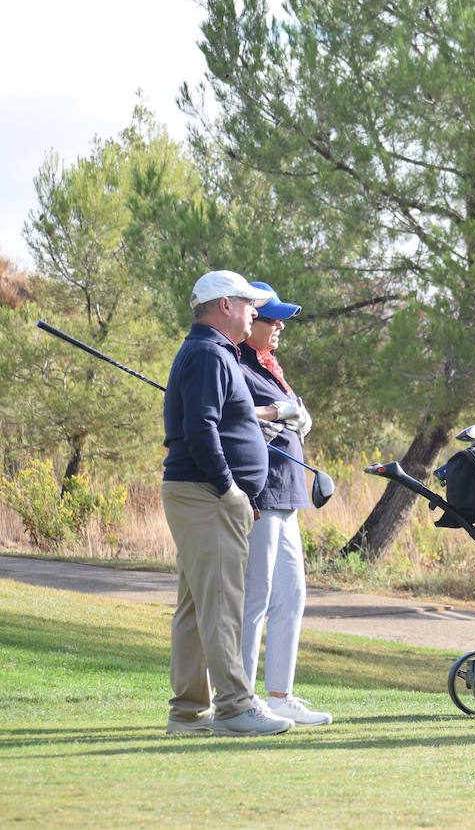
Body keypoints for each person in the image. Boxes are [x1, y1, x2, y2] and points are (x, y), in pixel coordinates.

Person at [161, 270, 294, 736]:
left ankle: (188, 713)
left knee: (197, 609)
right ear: (224, 306)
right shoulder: (210, 354)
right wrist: (230, 488)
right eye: (248, 303)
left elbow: (212, 425)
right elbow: (202, 428)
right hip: (207, 493)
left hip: (200, 492)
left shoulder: (211, 353)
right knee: (220, 605)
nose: (254, 312)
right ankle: (235, 706)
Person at [238, 284, 331, 727]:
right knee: (255, 597)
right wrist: (277, 412)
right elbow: (240, 417)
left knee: (291, 595)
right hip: (259, 492)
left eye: (280, 320)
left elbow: (296, 414)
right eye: (271, 319)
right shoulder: (234, 360)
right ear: (247, 318)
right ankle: (240, 697)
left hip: (287, 493)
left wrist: (286, 411)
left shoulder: (269, 364)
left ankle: (279, 695)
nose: (279, 327)